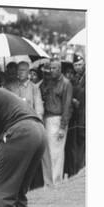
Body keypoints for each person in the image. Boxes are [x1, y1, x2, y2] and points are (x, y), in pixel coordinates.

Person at [40, 58, 73, 186]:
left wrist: (62, 127)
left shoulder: (66, 83)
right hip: (46, 119)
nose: (51, 70)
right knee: (47, 154)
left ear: (60, 69)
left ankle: (56, 183)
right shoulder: (48, 82)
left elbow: (67, 106)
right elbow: (42, 92)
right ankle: (48, 183)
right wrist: (45, 75)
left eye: (54, 68)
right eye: (50, 68)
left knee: (56, 154)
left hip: (58, 119)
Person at [65, 53, 86, 176]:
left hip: (82, 116)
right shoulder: (75, 79)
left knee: (80, 147)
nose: (78, 67)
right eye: (76, 65)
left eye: (80, 64)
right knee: (73, 148)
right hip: (75, 119)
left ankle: (79, 170)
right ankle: (74, 171)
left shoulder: (85, 77)